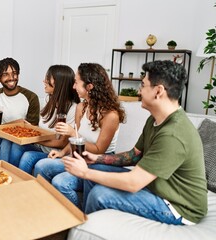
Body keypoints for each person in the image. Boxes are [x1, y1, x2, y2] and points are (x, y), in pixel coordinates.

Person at [63, 60, 208, 225]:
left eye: (143, 85)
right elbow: (134, 156)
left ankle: (86, 228)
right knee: (94, 167)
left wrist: (85, 173)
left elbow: (133, 183)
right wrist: (96, 159)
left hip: (179, 206)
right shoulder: (155, 120)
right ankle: (87, 225)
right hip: (157, 187)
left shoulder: (174, 134)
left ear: (158, 91)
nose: (139, 90)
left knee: (99, 194)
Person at [33, 63, 125, 208]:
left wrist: (72, 132)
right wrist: (62, 153)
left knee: (60, 182)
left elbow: (99, 149)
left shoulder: (111, 115)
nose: (74, 86)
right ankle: (45, 208)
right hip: (77, 156)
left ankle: (77, 215)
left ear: (89, 87)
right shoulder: (82, 107)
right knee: (42, 165)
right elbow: (75, 141)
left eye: (76, 82)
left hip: (98, 161)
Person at [8, 65, 80, 172]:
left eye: (48, 78)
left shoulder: (73, 109)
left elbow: (62, 143)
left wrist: (34, 139)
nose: (44, 81)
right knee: (16, 146)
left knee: (28, 156)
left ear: (58, 83)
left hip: (54, 152)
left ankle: (21, 186)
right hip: (41, 147)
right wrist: (31, 129)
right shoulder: (49, 100)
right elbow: (44, 130)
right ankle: (10, 179)